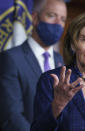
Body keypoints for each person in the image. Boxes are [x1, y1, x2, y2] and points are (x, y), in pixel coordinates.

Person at [0, 0, 67, 130]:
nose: (58, 23)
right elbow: (11, 117)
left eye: (63, 19)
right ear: (35, 18)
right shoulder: (11, 59)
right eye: (52, 15)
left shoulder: (62, 62)